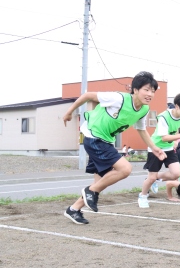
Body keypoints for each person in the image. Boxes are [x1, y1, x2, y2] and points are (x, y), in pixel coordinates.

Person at [62, 71, 166, 225]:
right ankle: (89, 192)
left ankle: (74, 209)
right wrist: (69, 112)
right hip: (93, 136)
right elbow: (88, 95)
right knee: (125, 169)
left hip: (105, 140)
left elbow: (141, 129)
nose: (150, 94)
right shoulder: (118, 98)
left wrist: (154, 147)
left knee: (99, 183)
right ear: (135, 90)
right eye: (146, 89)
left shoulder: (144, 109)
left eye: (153, 91)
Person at [138, 92, 180, 208]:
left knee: (176, 173)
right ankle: (142, 196)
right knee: (151, 177)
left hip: (168, 147)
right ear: (177, 106)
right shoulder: (164, 117)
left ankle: (155, 178)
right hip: (156, 147)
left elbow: (175, 131)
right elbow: (164, 137)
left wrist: (176, 139)